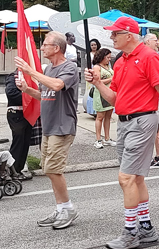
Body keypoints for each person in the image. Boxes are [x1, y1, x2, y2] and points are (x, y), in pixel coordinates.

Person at [85, 17, 159, 249]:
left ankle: (131, 232)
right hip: (124, 122)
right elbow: (114, 98)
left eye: (115, 34)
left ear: (129, 35)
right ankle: (145, 227)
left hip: (142, 121)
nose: (111, 38)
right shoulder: (121, 62)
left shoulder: (149, 57)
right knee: (136, 178)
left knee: (126, 178)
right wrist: (97, 83)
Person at [15, 31, 79, 229]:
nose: (42, 48)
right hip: (49, 126)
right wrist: (26, 89)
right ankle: (60, 208)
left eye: (45, 44)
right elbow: (45, 95)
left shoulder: (70, 67)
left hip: (63, 126)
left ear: (57, 48)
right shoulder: (49, 69)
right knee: (48, 169)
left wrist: (31, 71)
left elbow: (58, 85)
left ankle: (68, 208)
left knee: (53, 169)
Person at [5, 70, 33, 180]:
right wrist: (29, 96)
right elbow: (11, 94)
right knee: (18, 143)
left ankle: (18, 170)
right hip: (16, 113)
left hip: (27, 113)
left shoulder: (30, 77)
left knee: (25, 143)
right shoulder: (13, 77)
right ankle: (11, 171)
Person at [92, 48, 116, 149]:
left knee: (108, 117)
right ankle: (98, 139)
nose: (109, 59)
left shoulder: (108, 66)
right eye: (107, 57)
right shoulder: (97, 67)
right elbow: (97, 81)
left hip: (109, 92)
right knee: (100, 117)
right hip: (100, 94)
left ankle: (107, 138)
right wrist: (111, 79)